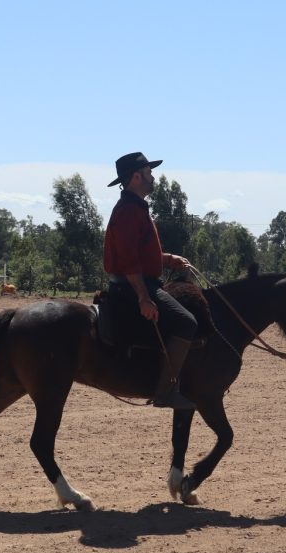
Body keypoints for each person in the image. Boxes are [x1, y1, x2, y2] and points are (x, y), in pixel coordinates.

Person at [103, 152, 197, 410]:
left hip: (137, 282)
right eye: (149, 173)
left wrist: (167, 259)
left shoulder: (136, 208)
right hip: (131, 287)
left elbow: (141, 252)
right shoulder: (129, 211)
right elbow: (128, 260)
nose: (153, 177)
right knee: (186, 322)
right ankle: (165, 392)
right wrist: (143, 297)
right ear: (136, 177)